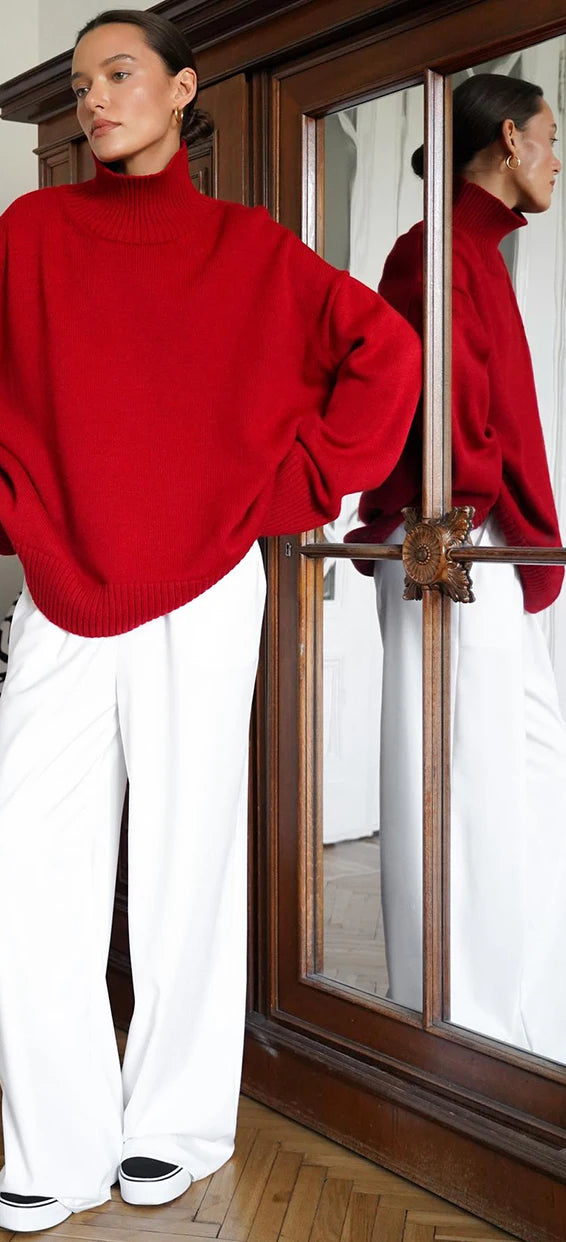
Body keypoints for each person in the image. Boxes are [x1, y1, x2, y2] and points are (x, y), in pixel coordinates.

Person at [0, 9, 421, 1233]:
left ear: (181, 89)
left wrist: (289, 489)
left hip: (208, 588)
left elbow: (382, 352)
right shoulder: (30, 236)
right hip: (63, 587)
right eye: (80, 83)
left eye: (118, 74)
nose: (94, 98)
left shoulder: (247, 249)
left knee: (187, 859)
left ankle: (170, 1128)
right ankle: (56, 1146)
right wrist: (0, 510)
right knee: (30, 858)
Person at [348, 73, 566, 1062]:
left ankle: (522, 1013)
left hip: (488, 548)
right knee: (460, 782)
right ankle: (458, 1025)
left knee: (526, 773)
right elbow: (424, 408)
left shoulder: (471, 252)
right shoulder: (431, 251)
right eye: (551, 137)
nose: (556, 160)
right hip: (453, 546)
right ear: (510, 139)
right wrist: (462, 509)